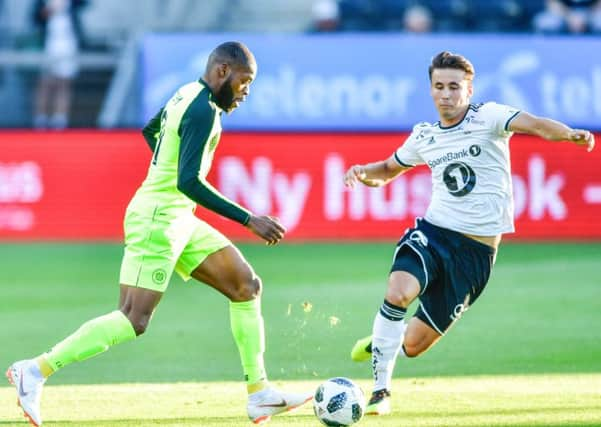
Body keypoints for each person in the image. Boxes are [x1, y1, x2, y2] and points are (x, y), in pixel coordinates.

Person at [6, 41, 311, 427]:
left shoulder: (187, 92)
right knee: (133, 319)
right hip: (158, 217)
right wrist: (249, 218)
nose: (246, 90)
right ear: (222, 71)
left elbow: (152, 131)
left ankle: (259, 394)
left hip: (177, 216)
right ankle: (34, 371)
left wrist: (164, 165)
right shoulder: (203, 110)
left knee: (245, 286)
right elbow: (188, 181)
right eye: (243, 80)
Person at [344, 51, 595, 416]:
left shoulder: (489, 117)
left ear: (469, 88)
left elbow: (537, 124)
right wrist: (360, 172)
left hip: (476, 256)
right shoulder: (424, 136)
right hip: (434, 232)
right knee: (398, 292)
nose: (446, 94)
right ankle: (380, 392)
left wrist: (569, 134)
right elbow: (386, 169)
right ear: (430, 89)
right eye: (439, 86)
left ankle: (384, 339)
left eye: (453, 87)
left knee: (413, 345)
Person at [32, 0, 87, 129]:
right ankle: (41, 118)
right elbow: (34, 18)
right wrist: (47, 11)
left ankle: (60, 119)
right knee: (45, 82)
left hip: (68, 43)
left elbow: (84, 4)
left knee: (64, 82)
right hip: (49, 43)